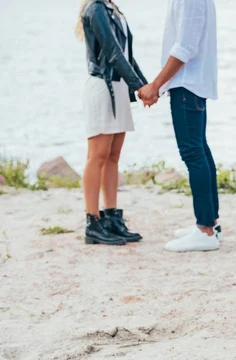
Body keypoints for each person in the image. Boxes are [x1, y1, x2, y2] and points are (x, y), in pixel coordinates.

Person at [138, 0, 220, 252]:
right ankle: (211, 224)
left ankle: (205, 230)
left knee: (193, 153)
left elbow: (185, 47)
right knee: (200, 150)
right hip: (190, 85)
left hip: (187, 85)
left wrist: (155, 85)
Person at [77, 0, 146, 245]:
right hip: (102, 86)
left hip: (118, 86)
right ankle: (93, 222)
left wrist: (144, 85)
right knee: (97, 155)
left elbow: (127, 55)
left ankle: (112, 217)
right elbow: (113, 52)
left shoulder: (111, 8)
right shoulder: (95, 8)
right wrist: (141, 87)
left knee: (113, 156)